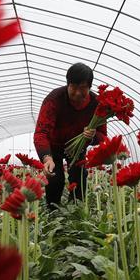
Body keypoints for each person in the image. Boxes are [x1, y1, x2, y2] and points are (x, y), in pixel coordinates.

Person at [34, 63, 106, 206]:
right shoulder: (54, 99)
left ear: (90, 87)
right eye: (74, 87)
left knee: (79, 177)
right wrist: (47, 158)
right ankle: (53, 211)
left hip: (77, 148)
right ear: (68, 84)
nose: (78, 93)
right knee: (54, 177)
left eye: (83, 88)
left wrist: (92, 137)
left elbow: (103, 136)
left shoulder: (97, 104)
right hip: (54, 146)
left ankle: (76, 212)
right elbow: (41, 133)